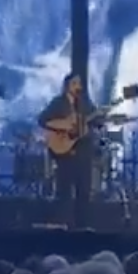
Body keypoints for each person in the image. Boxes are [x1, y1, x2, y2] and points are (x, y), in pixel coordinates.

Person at [39, 75, 99, 221]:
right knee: (64, 192)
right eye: (75, 83)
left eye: (79, 83)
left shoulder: (85, 104)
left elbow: (96, 120)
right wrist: (64, 125)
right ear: (67, 86)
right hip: (65, 154)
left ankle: (83, 226)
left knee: (84, 191)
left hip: (83, 153)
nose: (78, 87)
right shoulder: (58, 103)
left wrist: (100, 120)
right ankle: (62, 225)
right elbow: (42, 120)